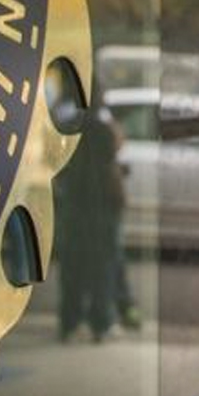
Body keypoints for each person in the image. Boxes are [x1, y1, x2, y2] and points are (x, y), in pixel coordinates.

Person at [54, 104, 126, 342]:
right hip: (102, 206)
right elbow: (114, 152)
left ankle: (70, 322)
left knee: (72, 269)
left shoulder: (69, 126)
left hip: (75, 205)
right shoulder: (104, 128)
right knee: (101, 268)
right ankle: (100, 323)